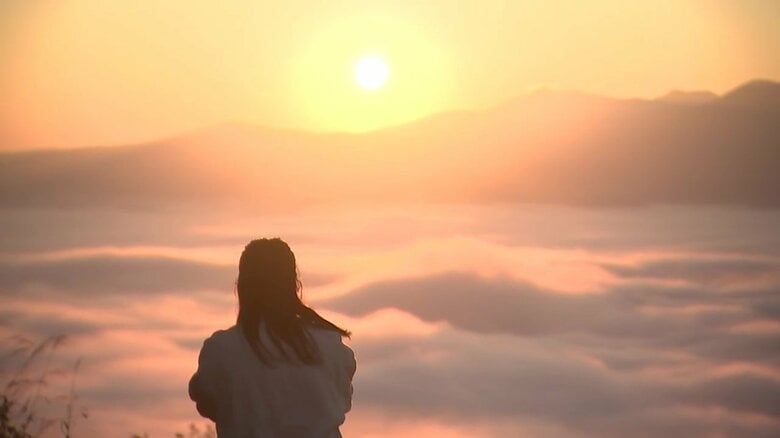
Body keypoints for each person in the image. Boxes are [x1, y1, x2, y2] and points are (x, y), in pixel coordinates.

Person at [189, 238, 356, 437]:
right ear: (294, 285)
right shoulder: (331, 346)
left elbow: (205, 400)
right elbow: (342, 401)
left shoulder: (222, 350)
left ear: (242, 287)